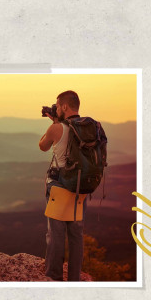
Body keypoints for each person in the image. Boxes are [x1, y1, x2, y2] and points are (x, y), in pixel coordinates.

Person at [39, 90, 86, 282]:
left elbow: (42, 145)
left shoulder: (57, 128)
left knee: (56, 235)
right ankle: (74, 278)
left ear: (64, 107)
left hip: (59, 186)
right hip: (80, 186)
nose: (56, 108)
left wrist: (53, 123)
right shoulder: (90, 127)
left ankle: (54, 276)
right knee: (76, 234)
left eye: (58, 106)